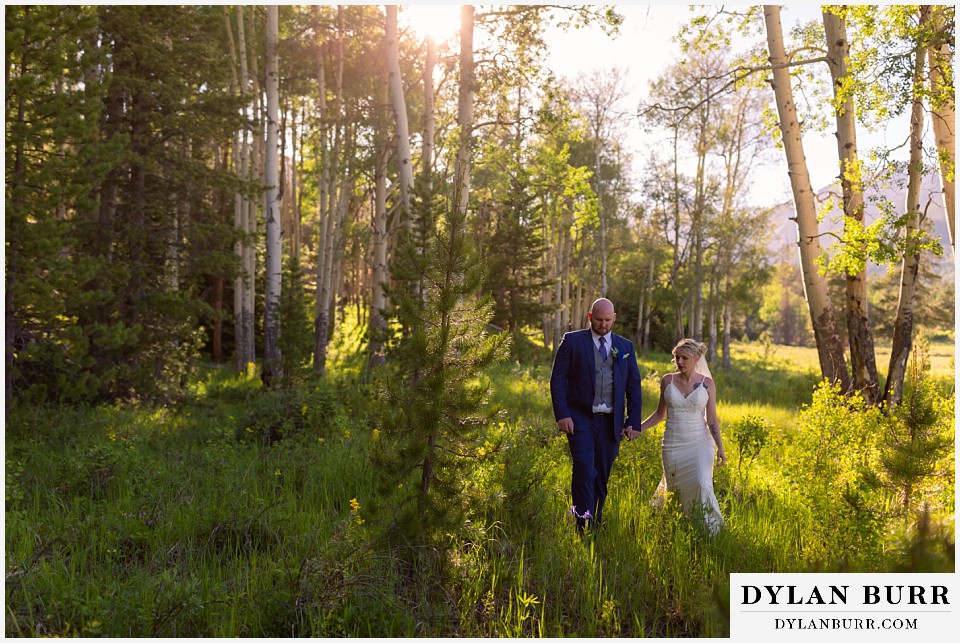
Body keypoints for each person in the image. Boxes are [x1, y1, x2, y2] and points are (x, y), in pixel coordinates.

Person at [550, 298, 643, 532]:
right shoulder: (572, 342)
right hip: (579, 418)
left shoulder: (625, 347)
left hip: (611, 422)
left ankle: (595, 522)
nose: (603, 325)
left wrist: (633, 422)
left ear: (614, 318)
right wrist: (562, 414)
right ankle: (582, 524)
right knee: (583, 468)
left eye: (608, 320)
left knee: (602, 474)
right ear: (590, 317)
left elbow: (633, 386)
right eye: (599, 320)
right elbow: (558, 380)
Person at [623, 338, 726, 535]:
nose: (679, 362)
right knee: (675, 488)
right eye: (676, 357)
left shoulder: (707, 384)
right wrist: (637, 428)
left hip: (700, 443)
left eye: (684, 358)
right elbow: (659, 414)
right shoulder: (667, 381)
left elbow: (712, 418)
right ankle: (677, 528)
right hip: (673, 444)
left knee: (701, 483)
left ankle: (709, 530)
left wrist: (720, 447)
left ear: (696, 359)